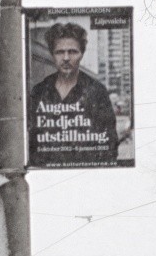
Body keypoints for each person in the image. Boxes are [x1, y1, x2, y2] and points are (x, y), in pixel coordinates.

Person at [29, 21, 119, 166]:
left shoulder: (97, 91)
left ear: (82, 54)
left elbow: (109, 144)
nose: (66, 58)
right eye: (59, 52)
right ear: (52, 55)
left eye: (72, 51)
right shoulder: (39, 91)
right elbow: (31, 142)